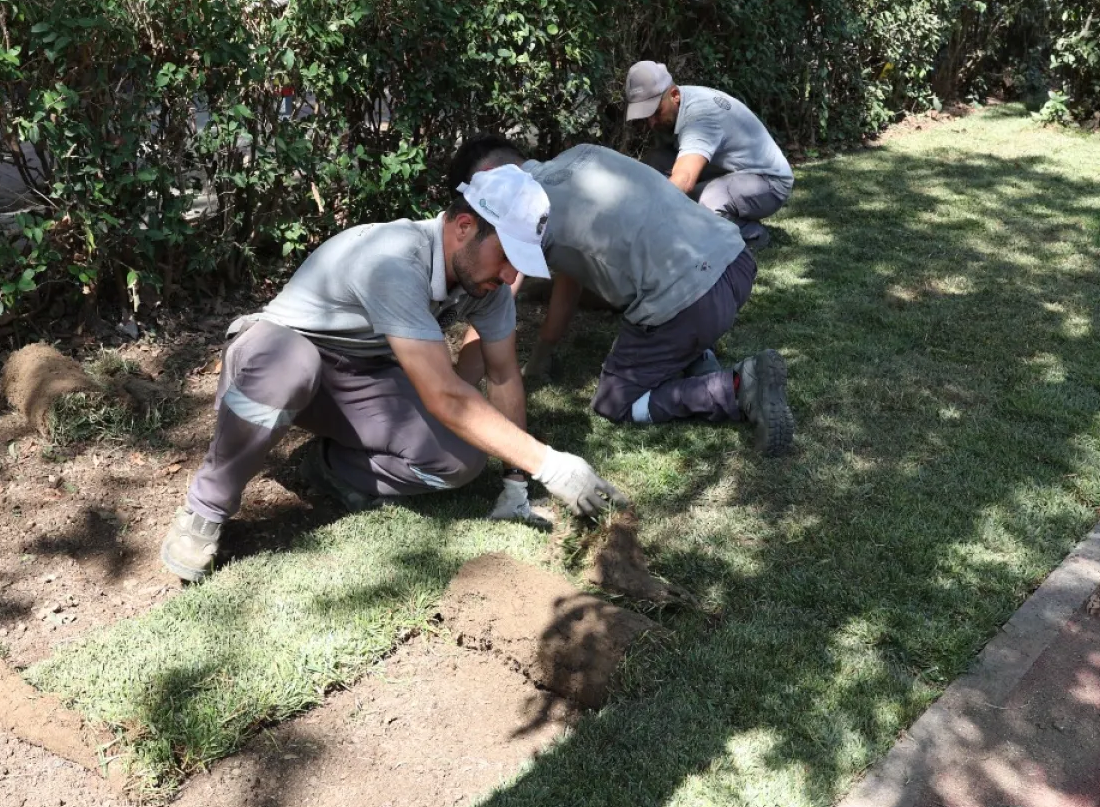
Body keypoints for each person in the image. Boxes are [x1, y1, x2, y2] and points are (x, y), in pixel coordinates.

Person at [161, 165, 627, 583]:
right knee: (292, 365)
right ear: (464, 227)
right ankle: (206, 509)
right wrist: (550, 464)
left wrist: (515, 483)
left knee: (461, 461)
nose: (509, 278)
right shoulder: (393, 259)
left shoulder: (485, 286)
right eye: (506, 257)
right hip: (276, 355)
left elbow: (503, 374)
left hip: (359, 376)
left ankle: (328, 468)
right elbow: (446, 395)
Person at [449, 135, 795, 457]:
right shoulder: (583, 153)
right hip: (735, 263)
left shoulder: (521, 210)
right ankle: (693, 356)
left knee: (616, 404)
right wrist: (544, 351)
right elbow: (572, 276)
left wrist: (455, 396)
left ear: (491, 177)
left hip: (692, 302)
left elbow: (495, 308)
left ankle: (735, 387)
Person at [624, 60, 793, 247]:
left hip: (768, 183)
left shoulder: (700, 117)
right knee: (654, 162)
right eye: (645, 115)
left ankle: (751, 233)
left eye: (656, 112)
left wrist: (643, 220)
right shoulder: (678, 101)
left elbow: (684, 179)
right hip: (730, 170)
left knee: (707, 202)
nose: (651, 123)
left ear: (674, 96)